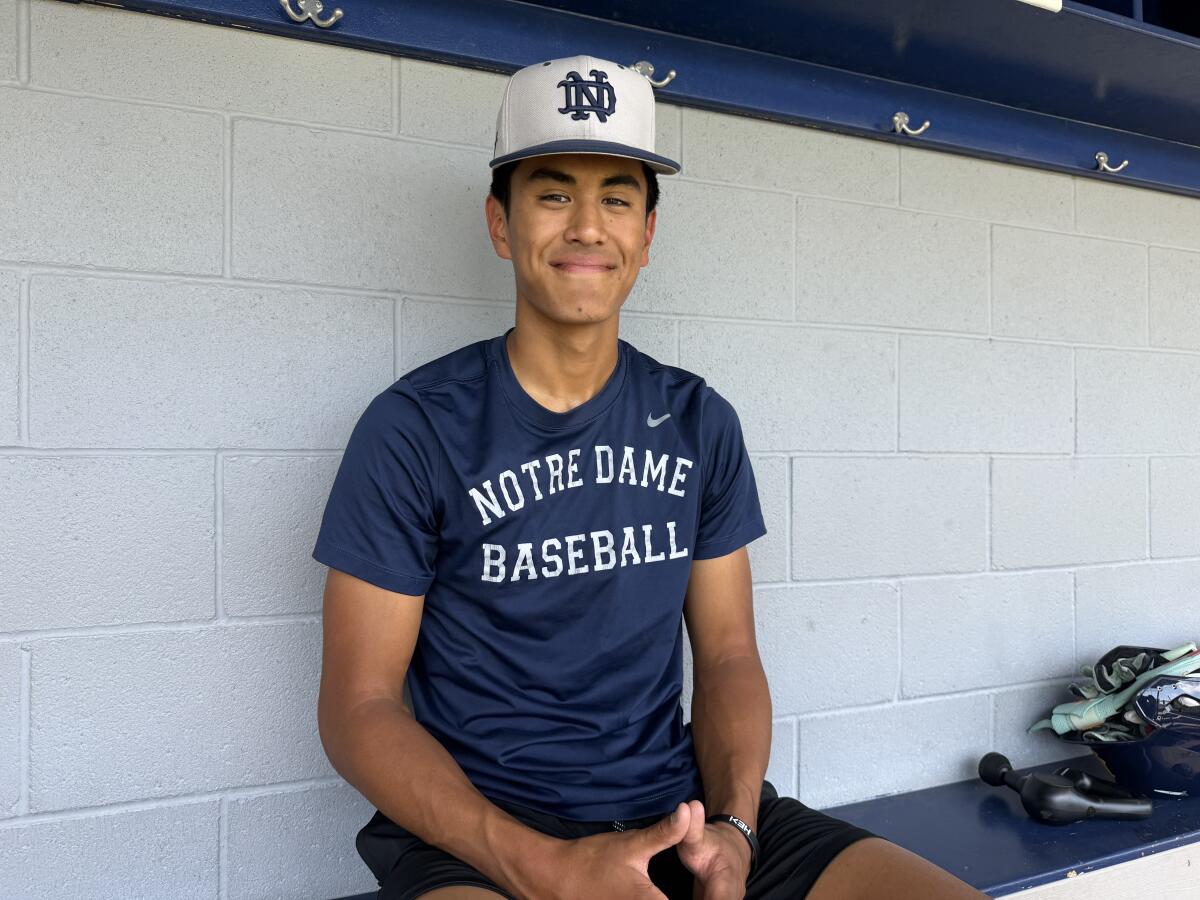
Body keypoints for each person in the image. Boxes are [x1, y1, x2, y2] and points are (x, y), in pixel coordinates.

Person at [312, 54, 989, 900]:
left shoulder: (700, 421)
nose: (588, 227)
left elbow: (731, 655)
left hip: (682, 814)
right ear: (500, 222)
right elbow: (358, 708)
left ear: (646, 234)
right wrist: (545, 865)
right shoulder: (414, 428)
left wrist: (737, 830)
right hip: (485, 838)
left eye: (618, 198)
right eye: (554, 193)